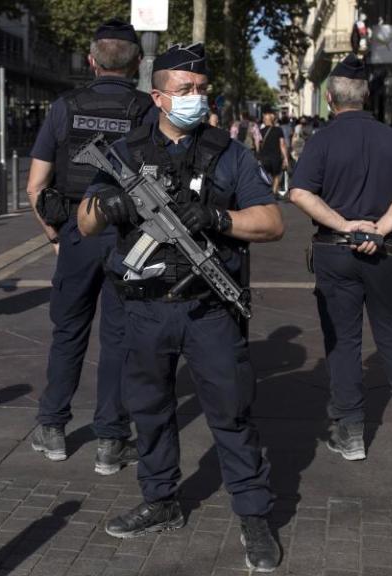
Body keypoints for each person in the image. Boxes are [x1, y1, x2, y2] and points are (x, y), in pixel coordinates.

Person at [78, 43, 284, 570]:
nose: (195, 98)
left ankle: (255, 517)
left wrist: (218, 220)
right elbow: (84, 221)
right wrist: (110, 205)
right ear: (158, 96)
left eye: (201, 89)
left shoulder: (227, 153)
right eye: (184, 90)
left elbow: (271, 223)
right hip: (143, 309)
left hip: (208, 309)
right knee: (148, 411)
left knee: (232, 414)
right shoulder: (124, 151)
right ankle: (160, 500)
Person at [25, 19, 154, 473]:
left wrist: (55, 235)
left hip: (77, 233)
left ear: (91, 61)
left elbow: (36, 186)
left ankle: (53, 428)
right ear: (138, 63)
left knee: (68, 333)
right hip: (130, 236)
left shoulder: (64, 107)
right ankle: (111, 441)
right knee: (118, 338)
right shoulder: (148, 110)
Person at [288, 54, 392, 463]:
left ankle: (350, 432)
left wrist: (345, 225)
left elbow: (299, 193)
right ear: (367, 97)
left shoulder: (322, 141)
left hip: (335, 249)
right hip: (384, 251)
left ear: (330, 98)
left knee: (344, 341)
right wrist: (379, 229)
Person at [258, 108, 290, 195]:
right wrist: (286, 158)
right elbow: (282, 145)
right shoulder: (278, 130)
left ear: (265, 120)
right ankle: (273, 192)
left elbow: (258, 144)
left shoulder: (260, 131)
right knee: (276, 176)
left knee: (264, 176)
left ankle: (265, 192)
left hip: (264, 157)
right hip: (276, 158)